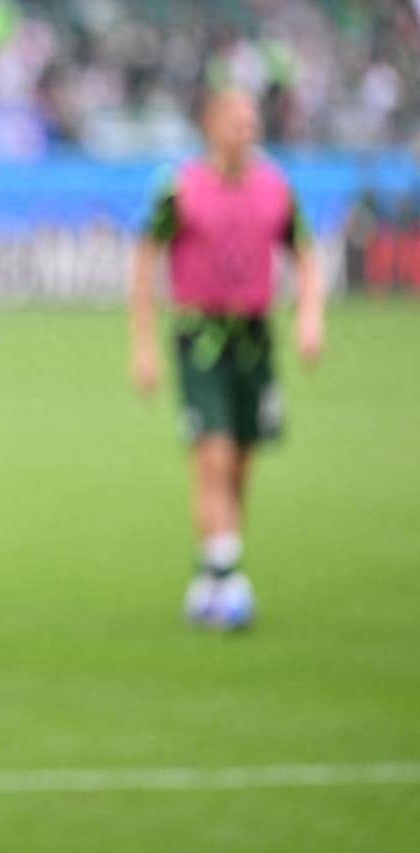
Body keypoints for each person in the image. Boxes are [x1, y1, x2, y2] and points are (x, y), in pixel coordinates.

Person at [129, 89, 325, 630]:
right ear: (211, 125)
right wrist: (143, 345)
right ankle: (229, 578)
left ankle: (211, 572)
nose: (247, 131)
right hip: (201, 339)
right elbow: (146, 259)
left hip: (255, 338)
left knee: (239, 461)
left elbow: (304, 253)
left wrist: (310, 316)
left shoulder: (276, 187)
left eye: (252, 122)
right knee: (212, 454)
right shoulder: (180, 189)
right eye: (237, 121)